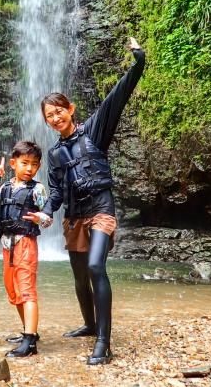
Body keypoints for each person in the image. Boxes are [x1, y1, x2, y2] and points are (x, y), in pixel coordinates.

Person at [34, 36, 145, 365]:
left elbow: (117, 98)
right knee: (80, 276)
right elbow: (55, 191)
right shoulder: (54, 154)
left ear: (70, 110)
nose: (55, 118)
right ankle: (88, 323)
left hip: (100, 210)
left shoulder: (94, 132)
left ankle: (103, 342)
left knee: (96, 266)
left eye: (59, 111)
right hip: (74, 217)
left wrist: (138, 62)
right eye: (49, 116)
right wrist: (46, 212)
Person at [0, 140, 52, 357]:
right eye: (24, 163)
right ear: (13, 163)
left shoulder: (37, 189)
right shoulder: (4, 187)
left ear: (38, 167)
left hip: (25, 243)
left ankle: (30, 342)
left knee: (27, 290)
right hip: (6, 244)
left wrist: (40, 217)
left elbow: (48, 218)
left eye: (34, 164)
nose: (29, 168)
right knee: (13, 291)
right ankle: (28, 331)